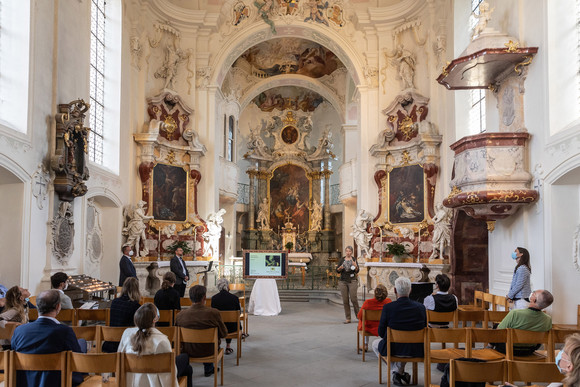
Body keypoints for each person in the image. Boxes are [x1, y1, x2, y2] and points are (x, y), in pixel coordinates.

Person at [11, 290, 85, 386]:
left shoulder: (19, 330)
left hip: (25, 381)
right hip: (55, 382)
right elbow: (77, 362)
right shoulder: (64, 331)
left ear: (37, 306)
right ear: (58, 307)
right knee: (82, 343)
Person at [118, 303, 193, 387]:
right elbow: (169, 373)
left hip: (133, 381)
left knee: (188, 369)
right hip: (153, 381)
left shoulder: (127, 336)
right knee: (185, 360)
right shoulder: (161, 341)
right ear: (155, 319)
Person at [372, 277, 427, 386]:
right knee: (405, 344)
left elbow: (381, 333)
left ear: (395, 290)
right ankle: (398, 373)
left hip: (395, 348)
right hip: (416, 348)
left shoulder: (388, 308)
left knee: (374, 344)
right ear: (410, 290)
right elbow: (424, 328)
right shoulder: (421, 307)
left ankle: (396, 372)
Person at [176, 285, 227, 377]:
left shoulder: (180, 315)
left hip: (188, 351)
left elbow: (175, 336)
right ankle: (209, 368)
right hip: (209, 351)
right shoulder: (213, 313)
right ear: (204, 297)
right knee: (208, 343)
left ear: (190, 298)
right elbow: (224, 334)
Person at [493, 289, 554, 356]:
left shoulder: (515, 313)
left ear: (533, 300)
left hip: (509, 349)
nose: (532, 293)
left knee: (496, 327)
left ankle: (489, 348)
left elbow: (498, 332)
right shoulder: (548, 319)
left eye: (534, 293)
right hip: (529, 351)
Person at [103, 277, 141, 352]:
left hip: (110, 343)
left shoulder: (114, 302)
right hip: (126, 345)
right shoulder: (136, 306)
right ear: (136, 290)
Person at [211, 278, 242, 355]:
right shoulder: (234, 298)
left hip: (218, 328)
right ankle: (228, 346)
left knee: (219, 322)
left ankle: (218, 345)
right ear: (228, 286)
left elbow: (213, 313)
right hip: (232, 328)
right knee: (231, 322)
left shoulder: (214, 298)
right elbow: (239, 313)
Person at [356, 284, 391, 350]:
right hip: (383, 327)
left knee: (363, 320)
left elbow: (359, 316)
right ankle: (384, 343)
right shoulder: (388, 301)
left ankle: (365, 344)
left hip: (369, 327)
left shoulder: (368, 303)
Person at [336, 246, 360, 324]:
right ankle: (348, 318)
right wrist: (339, 269)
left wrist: (355, 266)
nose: (348, 252)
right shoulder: (342, 259)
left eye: (349, 251)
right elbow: (337, 270)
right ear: (345, 252)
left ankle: (359, 316)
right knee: (345, 300)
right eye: (347, 251)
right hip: (343, 281)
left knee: (353, 299)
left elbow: (357, 270)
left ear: (352, 252)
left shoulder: (354, 259)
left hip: (352, 280)